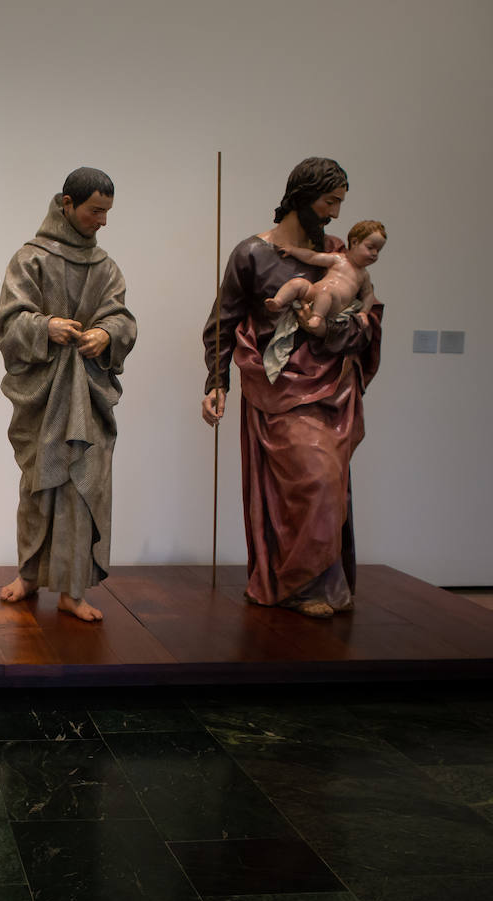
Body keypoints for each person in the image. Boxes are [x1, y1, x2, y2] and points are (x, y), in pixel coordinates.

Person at [201, 157, 382, 619]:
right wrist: (216, 382)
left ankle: (318, 583)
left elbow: (369, 319)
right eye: (328, 202)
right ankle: (294, 582)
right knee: (307, 482)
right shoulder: (251, 254)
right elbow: (221, 323)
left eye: (340, 203)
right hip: (277, 386)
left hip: (332, 388)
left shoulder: (343, 253)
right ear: (300, 197)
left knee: (327, 485)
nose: (335, 214)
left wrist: (326, 333)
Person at [0, 167, 137, 621]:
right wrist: (45, 326)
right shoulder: (29, 259)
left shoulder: (106, 267)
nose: (103, 221)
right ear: (66, 204)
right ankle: (29, 573)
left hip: (88, 396)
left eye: (107, 212)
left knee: (83, 486)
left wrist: (107, 336)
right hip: (45, 392)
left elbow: (123, 318)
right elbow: (8, 324)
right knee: (40, 483)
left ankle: (74, 589)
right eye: (96, 210)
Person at [262, 219, 386, 383]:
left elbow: (368, 295)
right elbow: (313, 257)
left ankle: (317, 317)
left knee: (327, 292)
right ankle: (278, 301)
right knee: (298, 284)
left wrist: (364, 312)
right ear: (355, 242)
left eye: (378, 250)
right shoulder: (337, 259)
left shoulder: (363, 275)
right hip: (316, 293)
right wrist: (293, 251)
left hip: (335, 303)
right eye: (370, 248)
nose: (374, 254)